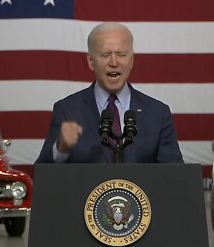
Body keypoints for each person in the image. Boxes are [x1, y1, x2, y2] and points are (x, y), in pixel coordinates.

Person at [36, 22, 183, 163]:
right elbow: (43, 177)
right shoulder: (67, 111)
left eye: (121, 54)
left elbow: (176, 178)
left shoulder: (157, 113)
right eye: (105, 55)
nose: (114, 62)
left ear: (131, 60)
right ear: (90, 61)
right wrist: (61, 149)